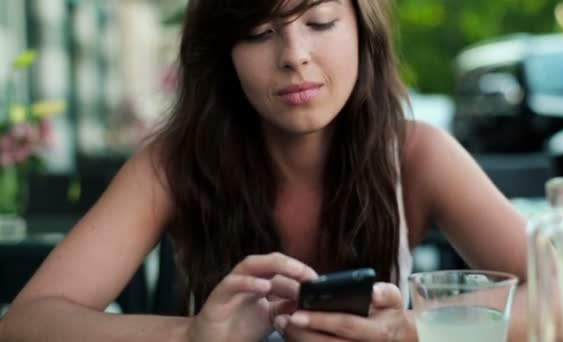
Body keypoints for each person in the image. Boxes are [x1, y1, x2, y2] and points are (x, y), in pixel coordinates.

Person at [0, 0, 530, 341]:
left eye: (320, 21)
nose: (294, 55)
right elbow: (26, 322)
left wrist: (413, 331)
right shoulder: (171, 164)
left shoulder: (416, 154)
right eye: (258, 32)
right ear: (223, 52)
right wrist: (190, 337)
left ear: (361, 26)